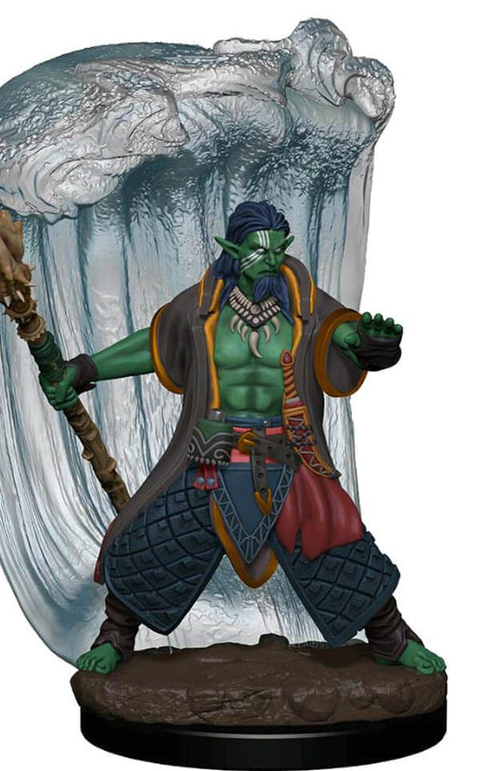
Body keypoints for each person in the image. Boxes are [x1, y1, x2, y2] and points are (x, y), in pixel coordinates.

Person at [41, 201, 445, 676]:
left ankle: (391, 637)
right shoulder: (201, 308)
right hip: (211, 454)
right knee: (153, 539)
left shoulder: (305, 306)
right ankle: (116, 635)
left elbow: (344, 334)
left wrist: (370, 344)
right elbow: (154, 345)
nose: (271, 260)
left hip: (288, 455)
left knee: (340, 540)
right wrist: (85, 369)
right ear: (233, 250)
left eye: (278, 250)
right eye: (258, 251)